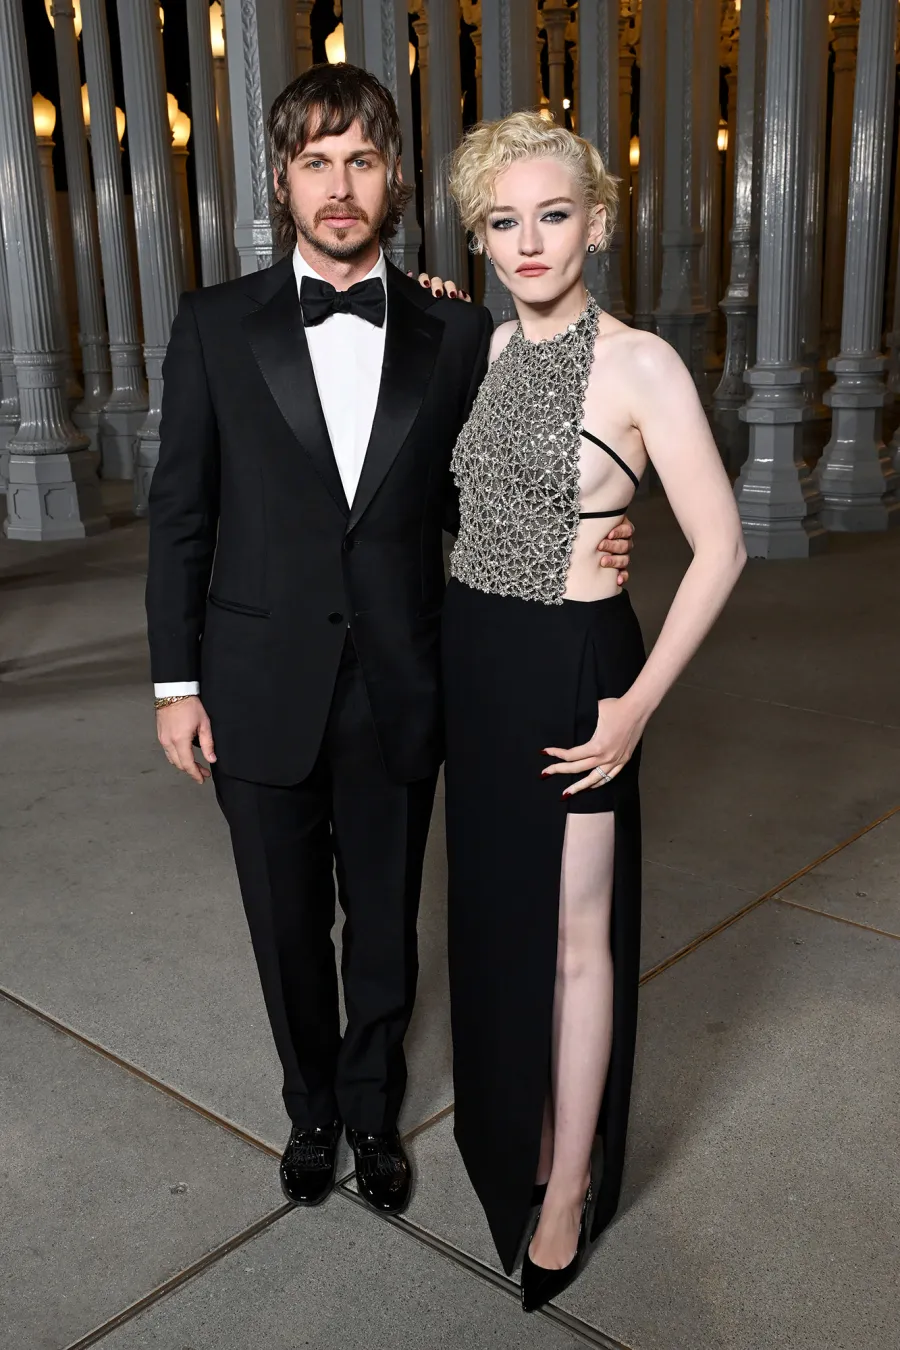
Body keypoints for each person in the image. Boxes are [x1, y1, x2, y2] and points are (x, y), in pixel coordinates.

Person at [145, 65, 633, 1218]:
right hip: (255, 681)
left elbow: (509, 479)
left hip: (407, 678)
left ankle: (370, 1110)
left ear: (395, 175)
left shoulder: (458, 330)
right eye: (315, 161)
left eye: (361, 158)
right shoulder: (215, 322)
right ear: (282, 179)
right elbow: (181, 513)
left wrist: (597, 541)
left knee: (384, 920)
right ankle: (309, 1106)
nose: (339, 184)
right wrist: (175, 683)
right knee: (282, 919)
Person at [441, 112, 746, 1311]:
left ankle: (567, 1183)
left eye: (552, 215)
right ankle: (518, 1128)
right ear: (479, 239)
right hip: (477, 653)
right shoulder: (477, 347)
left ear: (598, 223)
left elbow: (719, 549)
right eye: (503, 222)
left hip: (579, 665)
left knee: (576, 936)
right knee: (496, 915)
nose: (529, 243)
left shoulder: (639, 364)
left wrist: (632, 711)